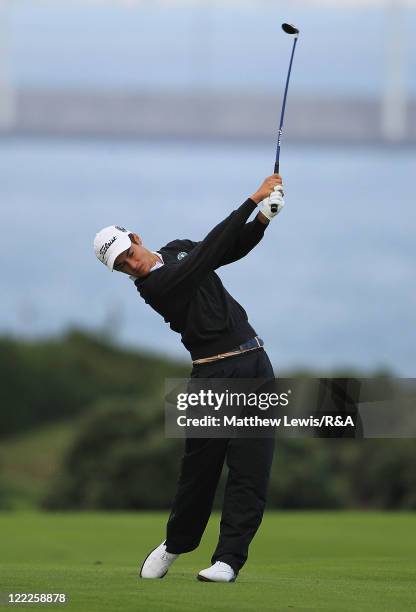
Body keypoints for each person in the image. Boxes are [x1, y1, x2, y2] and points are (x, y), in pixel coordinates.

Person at [93, 174, 285, 582]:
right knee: (199, 472)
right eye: (121, 265)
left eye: (128, 253)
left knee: (251, 470)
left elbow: (226, 250)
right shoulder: (155, 288)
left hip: (255, 366)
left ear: (136, 238)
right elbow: (208, 253)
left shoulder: (178, 249)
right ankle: (175, 545)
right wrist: (252, 198)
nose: (131, 263)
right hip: (211, 375)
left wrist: (263, 220)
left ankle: (228, 561)